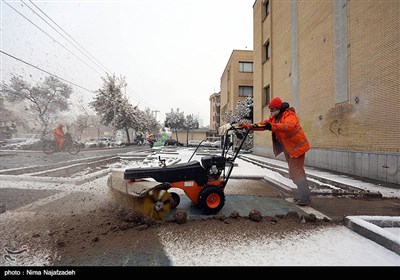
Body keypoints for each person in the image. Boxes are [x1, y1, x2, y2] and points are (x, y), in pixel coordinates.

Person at [243, 97, 311, 206]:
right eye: (270, 109)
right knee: (296, 172)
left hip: (297, 147)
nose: (270, 111)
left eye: (272, 109)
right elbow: (263, 125)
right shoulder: (274, 118)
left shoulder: (289, 115)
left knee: (296, 172)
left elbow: (289, 126)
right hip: (288, 149)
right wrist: (248, 126)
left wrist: (271, 126)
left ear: (278, 108)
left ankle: (305, 196)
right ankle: (304, 194)